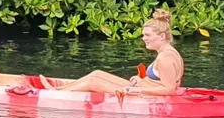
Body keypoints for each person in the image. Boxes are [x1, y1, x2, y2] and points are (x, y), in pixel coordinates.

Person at [51, 10, 184, 95]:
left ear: (162, 37)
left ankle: (54, 94)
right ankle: (58, 90)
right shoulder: (168, 52)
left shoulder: (166, 58)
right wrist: (142, 80)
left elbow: (169, 89)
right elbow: (162, 80)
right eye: (143, 35)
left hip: (143, 95)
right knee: (97, 73)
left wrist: (136, 89)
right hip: (141, 89)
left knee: (93, 82)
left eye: (148, 35)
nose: (144, 39)